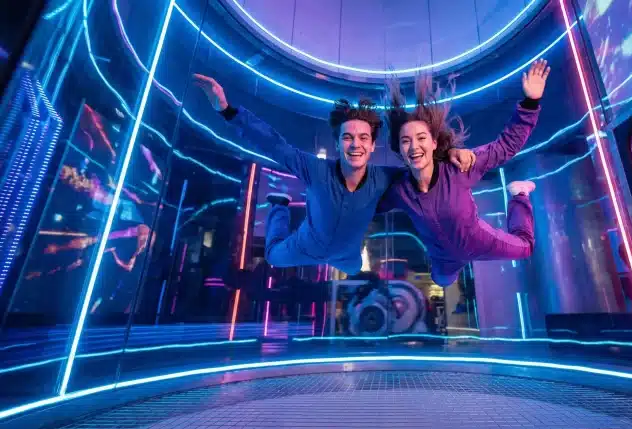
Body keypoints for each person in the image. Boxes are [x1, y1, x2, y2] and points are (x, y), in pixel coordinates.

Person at [192, 74, 476, 275]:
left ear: (373, 145)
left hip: (347, 256)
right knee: (273, 257)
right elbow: (274, 144)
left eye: (364, 138)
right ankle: (279, 207)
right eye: (348, 138)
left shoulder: (385, 178)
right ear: (338, 143)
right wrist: (227, 111)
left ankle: (345, 257)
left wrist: (451, 154)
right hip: (305, 246)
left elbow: (421, 166)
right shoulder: (316, 170)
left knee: (353, 269)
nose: (356, 144)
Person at [379, 59, 550, 287]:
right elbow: (364, 197)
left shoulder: (458, 168)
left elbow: (505, 146)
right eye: (405, 141)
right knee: (441, 281)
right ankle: (448, 274)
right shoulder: (400, 190)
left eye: (421, 139)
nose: (413, 147)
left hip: (479, 243)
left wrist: (531, 102)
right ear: (399, 149)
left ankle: (519, 195)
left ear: (433, 143)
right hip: (443, 259)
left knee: (526, 247)